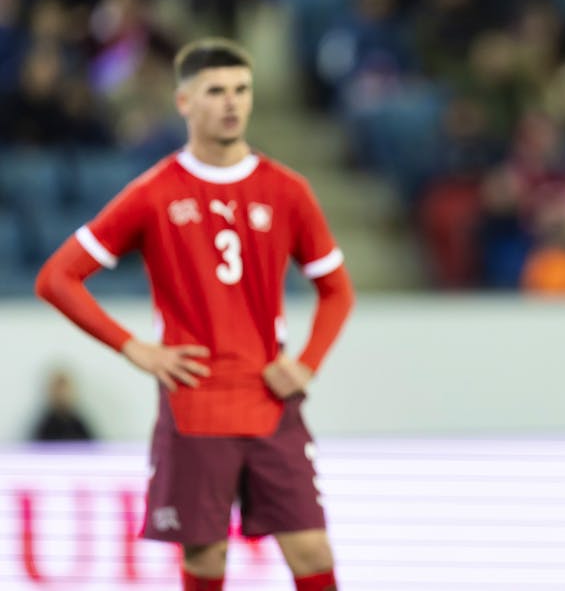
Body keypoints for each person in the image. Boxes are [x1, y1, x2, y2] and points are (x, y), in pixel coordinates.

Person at [35, 37, 354, 591]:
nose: (231, 102)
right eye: (215, 91)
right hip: (195, 404)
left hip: (271, 400)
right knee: (205, 559)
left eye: (241, 90)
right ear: (184, 102)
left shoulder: (287, 191)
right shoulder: (153, 194)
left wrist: (307, 363)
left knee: (311, 548)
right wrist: (134, 347)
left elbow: (337, 291)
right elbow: (56, 277)